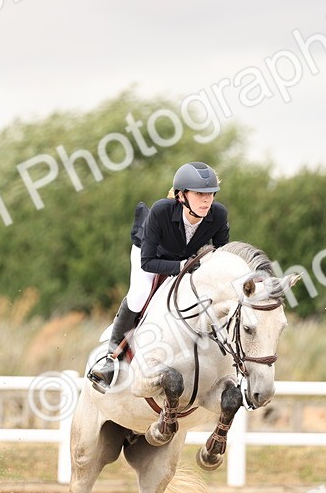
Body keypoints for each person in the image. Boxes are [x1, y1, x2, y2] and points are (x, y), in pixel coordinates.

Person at [87, 161, 230, 391]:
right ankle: (111, 359)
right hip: (150, 254)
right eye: (199, 194)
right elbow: (148, 262)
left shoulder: (219, 214)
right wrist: (183, 265)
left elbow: (222, 253)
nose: (207, 200)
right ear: (182, 196)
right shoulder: (162, 211)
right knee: (140, 294)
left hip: (186, 260)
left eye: (211, 194)